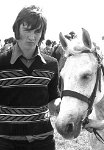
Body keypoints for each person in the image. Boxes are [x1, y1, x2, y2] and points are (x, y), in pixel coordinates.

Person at [0, 5, 61, 150]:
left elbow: (53, 98)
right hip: (7, 141)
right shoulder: (1, 63)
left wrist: (61, 106)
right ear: (17, 29)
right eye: (27, 29)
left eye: (37, 31)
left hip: (43, 140)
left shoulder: (51, 64)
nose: (32, 36)